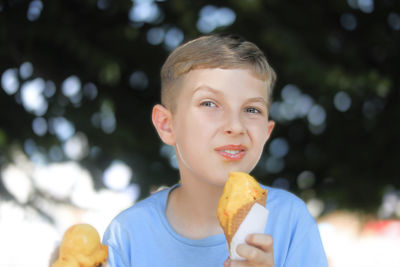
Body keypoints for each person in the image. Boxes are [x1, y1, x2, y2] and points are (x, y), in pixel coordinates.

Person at [103, 33, 328, 267]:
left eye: (252, 110)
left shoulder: (290, 221)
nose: (235, 126)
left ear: (267, 132)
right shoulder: (128, 234)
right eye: (209, 103)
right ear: (166, 124)